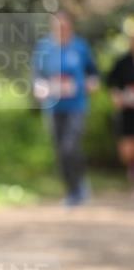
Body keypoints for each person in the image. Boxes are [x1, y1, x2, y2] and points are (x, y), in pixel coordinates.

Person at [33, 11, 99, 206]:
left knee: (71, 146)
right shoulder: (43, 48)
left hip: (77, 106)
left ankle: (78, 186)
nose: (61, 30)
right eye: (57, 27)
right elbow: (37, 77)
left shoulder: (80, 47)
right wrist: (41, 88)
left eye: (64, 26)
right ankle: (73, 190)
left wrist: (91, 84)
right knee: (61, 150)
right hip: (53, 108)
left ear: (70, 27)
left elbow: (93, 74)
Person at [106, 32, 134, 191]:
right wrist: (116, 96)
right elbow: (110, 83)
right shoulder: (122, 63)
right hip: (127, 112)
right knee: (127, 151)